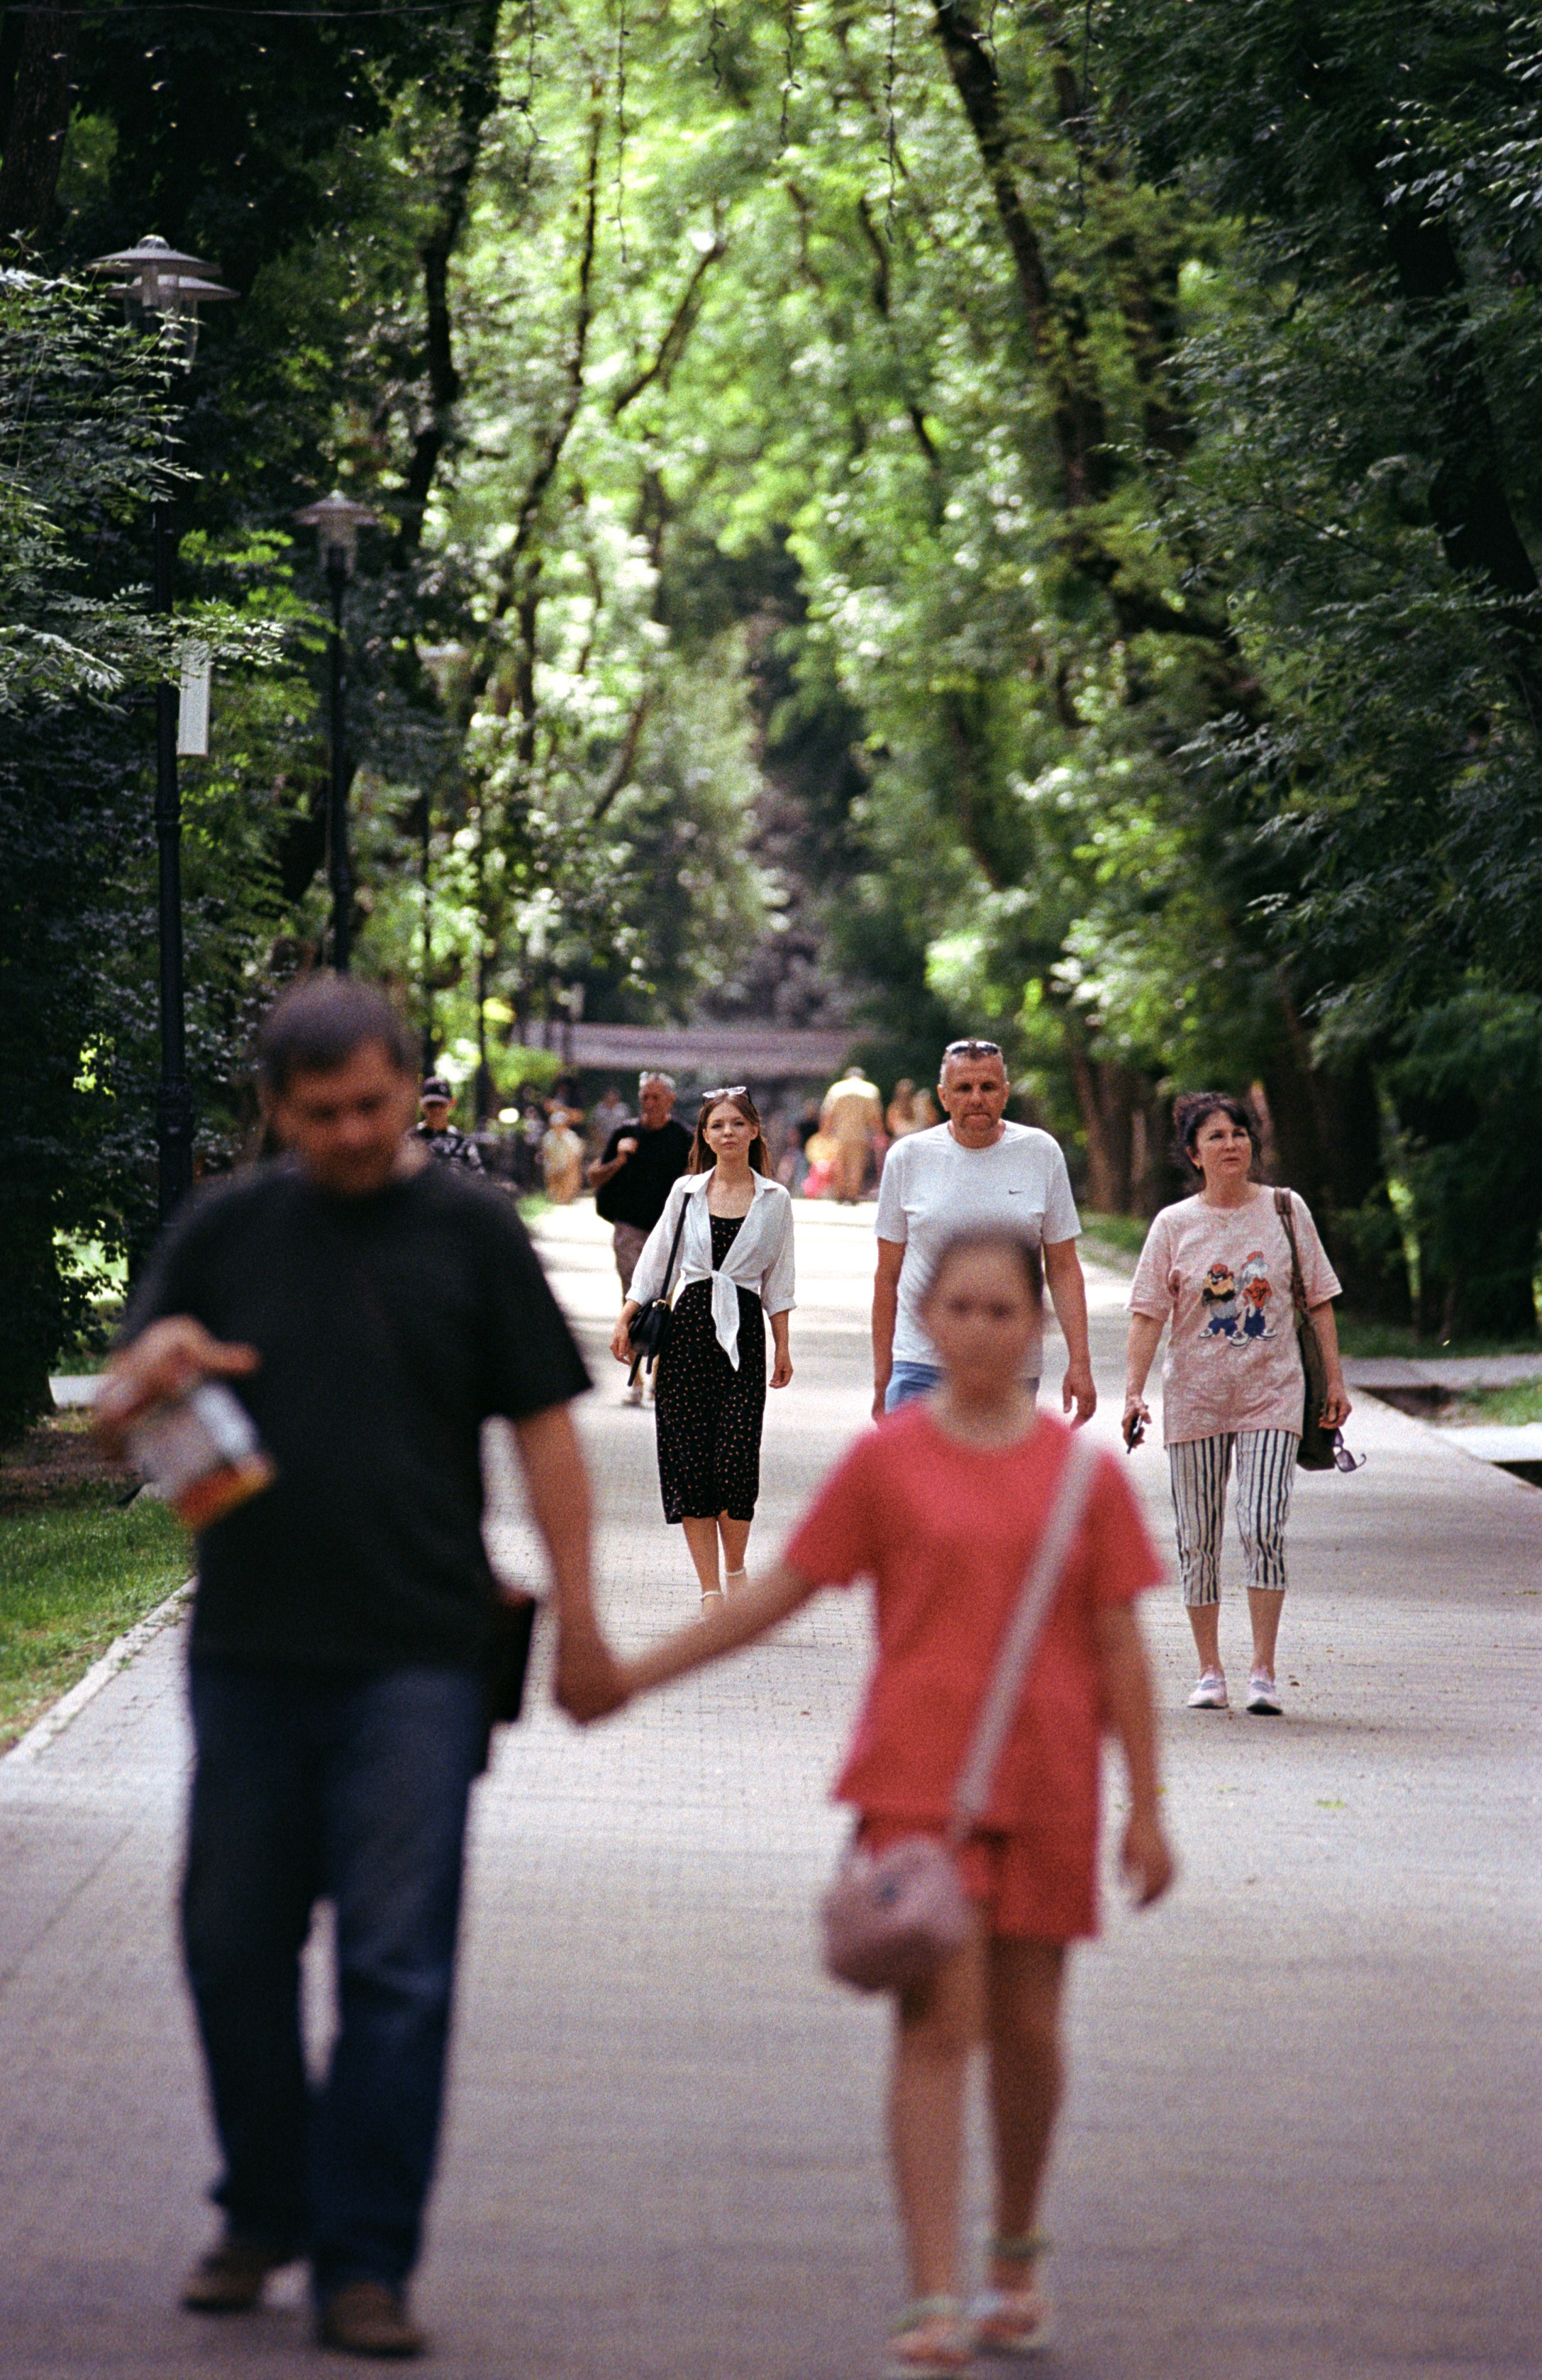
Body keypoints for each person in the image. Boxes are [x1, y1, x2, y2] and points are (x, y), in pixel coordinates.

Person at [94, 976, 617, 2360]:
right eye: (320, 1112)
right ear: (275, 1107)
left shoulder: (467, 1229)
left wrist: (584, 1621)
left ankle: (367, 2259)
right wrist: (151, 1371)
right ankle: (264, 2203)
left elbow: (547, 1436)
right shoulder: (224, 1230)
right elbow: (116, 1427)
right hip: (252, 1651)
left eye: (374, 1107)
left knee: (397, 1962)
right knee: (229, 1943)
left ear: (408, 1090)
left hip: (420, 1656)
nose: (350, 1132)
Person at [566, 1226, 1172, 2372]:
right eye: (962, 1308)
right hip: (916, 1788)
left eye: (1006, 1311)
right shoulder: (886, 1465)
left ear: (1033, 1328)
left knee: (1029, 2033)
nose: (983, 1328)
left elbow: (1119, 1647)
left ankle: (1014, 2253)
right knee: (935, 2028)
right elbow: (776, 1597)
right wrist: (633, 1676)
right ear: (926, 1323)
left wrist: (1144, 1805)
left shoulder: (1079, 1479)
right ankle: (933, 2290)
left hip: (1044, 1785)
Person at [1124, 1091, 1352, 1717]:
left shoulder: (1285, 1209)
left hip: (1272, 1394)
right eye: (1216, 1137)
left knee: (1261, 1526)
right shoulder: (1173, 1225)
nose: (1231, 1144)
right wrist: (1134, 1392)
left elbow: (1321, 1301)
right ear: (1194, 1154)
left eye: (1240, 1133)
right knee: (1197, 1538)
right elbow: (1148, 1315)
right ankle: (1208, 1670)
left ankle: (1263, 1671)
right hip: (1195, 1398)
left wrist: (1334, 1382)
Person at [609, 1087, 795, 1603]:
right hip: (686, 1329)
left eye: (738, 1124)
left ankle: (736, 1569)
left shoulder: (775, 1200)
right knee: (689, 1463)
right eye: (718, 1126)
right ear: (706, 1136)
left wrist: (783, 1346)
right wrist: (625, 1318)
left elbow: (780, 1280)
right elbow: (655, 1259)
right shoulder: (686, 1192)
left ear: (754, 1131)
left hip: (744, 1338)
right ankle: (710, 1591)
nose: (728, 1133)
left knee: (735, 1461)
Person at [873, 1038, 1097, 1428]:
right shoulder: (908, 1158)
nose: (976, 1098)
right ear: (944, 1096)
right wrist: (883, 1372)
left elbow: (1063, 1267)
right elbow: (887, 1275)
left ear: (1005, 1093)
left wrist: (1080, 1362)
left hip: (1011, 1365)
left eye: (988, 1087)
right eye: (963, 1088)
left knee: (993, 1487)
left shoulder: (1040, 1153)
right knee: (914, 1487)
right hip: (920, 1363)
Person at [587, 1071, 694, 1402]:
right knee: (633, 1299)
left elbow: (698, 1182)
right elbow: (594, 1176)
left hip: (668, 1231)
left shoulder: (684, 1138)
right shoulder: (624, 1133)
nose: (649, 1103)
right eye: (645, 1097)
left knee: (663, 1301)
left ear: (670, 1101)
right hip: (629, 1227)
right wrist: (620, 1159)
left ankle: (660, 1376)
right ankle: (634, 1379)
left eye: (656, 1097)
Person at [821, 1063, 884, 1203]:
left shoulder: (837, 1089)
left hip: (839, 1135)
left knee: (839, 1164)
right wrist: (880, 1133)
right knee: (857, 1165)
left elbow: (828, 1114)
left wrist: (824, 1133)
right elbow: (875, 1116)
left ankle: (841, 1193)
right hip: (861, 1135)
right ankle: (852, 1195)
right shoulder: (870, 1090)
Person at [414, 1073, 482, 1171]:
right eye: (431, 1104)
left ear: (452, 1103)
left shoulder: (463, 1144)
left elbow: (478, 1178)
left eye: (441, 1105)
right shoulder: (410, 1140)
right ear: (421, 1104)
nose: (436, 1110)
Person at [540, 1105, 585, 1204]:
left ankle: (569, 1195)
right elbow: (546, 1153)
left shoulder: (572, 1138)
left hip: (568, 1166)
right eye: (556, 1125)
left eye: (561, 1125)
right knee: (549, 1170)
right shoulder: (548, 1137)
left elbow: (576, 1157)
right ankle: (555, 1195)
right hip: (553, 1166)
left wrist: (567, 1168)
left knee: (573, 1172)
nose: (558, 1128)